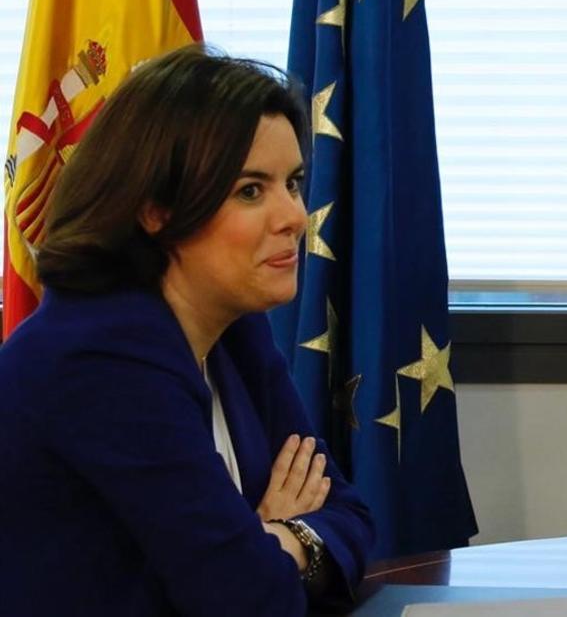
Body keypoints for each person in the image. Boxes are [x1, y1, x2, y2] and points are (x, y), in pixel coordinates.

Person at [0, 45, 374, 615]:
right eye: (251, 191)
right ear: (156, 211)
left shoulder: (234, 330)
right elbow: (251, 598)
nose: (295, 216)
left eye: (293, 183)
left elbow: (350, 515)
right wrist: (266, 548)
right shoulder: (97, 355)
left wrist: (274, 539)